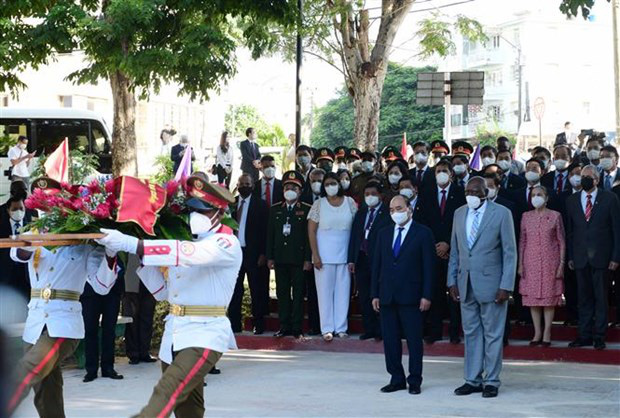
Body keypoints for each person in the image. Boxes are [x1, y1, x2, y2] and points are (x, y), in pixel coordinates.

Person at [96, 173, 241, 418]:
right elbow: (164, 292)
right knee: (188, 408)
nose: (195, 216)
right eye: (191, 210)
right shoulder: (182, 242)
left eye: (203, 211)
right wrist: (135, 253)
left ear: (219, 212)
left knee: (167, 390)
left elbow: (189, 254)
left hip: (205, 333)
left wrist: (133, 244)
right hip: (175, 333)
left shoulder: (225, 243)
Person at [6, 177, 118, 417]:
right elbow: (19, 254)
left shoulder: (85, 241)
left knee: (27, 368)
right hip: (35, 324)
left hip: (63, 326)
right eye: (39, 201)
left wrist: (110, 253)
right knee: (47, 392)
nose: (43, 206)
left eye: (49, 201)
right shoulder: (33, 233)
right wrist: (38, 236)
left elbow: (102, 287)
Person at [448, 177, 516, 398]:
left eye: (476, 192)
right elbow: (456, 251)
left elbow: (509, 252)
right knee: (471, 334)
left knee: (493, 334)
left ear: (487, 192)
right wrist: (452, 281)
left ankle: (492, 381)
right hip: (465, 283)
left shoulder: (502, 213)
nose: (471, 195)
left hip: (492, 285)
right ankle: (472, 379)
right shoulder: (459, 213)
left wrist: (506, 285)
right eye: (468, 191)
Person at [371, 195, 434, 395]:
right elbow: (377, 266)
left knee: (414, 341)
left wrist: (427, 295)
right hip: (387, 295)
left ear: (409, 209)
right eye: (391, 210)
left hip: (412, 296)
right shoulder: (383, 233)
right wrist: (375, 293)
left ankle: (414, 380)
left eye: (399, 208)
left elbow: (429, 268)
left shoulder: (423, 233)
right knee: (390, 340)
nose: (395, 213)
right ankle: (396, 378)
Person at [565, 165, 620, 350]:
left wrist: (615, 256)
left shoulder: (610, 198)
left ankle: (599, 335)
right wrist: (571, 256)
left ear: (597, 179)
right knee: (583, 298)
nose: (585, 179)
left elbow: (616, 230)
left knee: (600, 297)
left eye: (589, 177)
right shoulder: (572, 200)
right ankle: (584, 335)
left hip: (603, 257)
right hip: (580, 257)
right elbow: (571, 232)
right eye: (583, 176)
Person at [308, 173, 358, 341]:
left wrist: (353, 256)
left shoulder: (350, 202)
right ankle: (327, 328)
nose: (331, 186)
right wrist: (315, 254)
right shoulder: (318, 204)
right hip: (324, 256)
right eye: (327, 183)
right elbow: (311, 231)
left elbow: (357, 227)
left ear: (339, 184)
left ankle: (341, 328)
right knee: (324, 293)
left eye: (334, 183)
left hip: (345, 255)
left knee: (343, 293)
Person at [420, 158, 465, 344]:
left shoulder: (460, 193)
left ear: (451, 173)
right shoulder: (427, 193)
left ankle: (455, 332)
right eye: (438, 170)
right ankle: (435, 331)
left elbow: (461, 221)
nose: (441, 173)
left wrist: (447, 243)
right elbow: (423, 222)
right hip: (433, 250)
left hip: (454, 250)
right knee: (435, 291)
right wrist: (435, 245)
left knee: (454, 292)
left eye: (444, 170)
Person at [266, 171, 313, 338]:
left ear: (300, 191)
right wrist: (270, 256)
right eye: (287, 187)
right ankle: (284, 325)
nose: (290, 189)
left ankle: (296, 327)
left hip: (299, 259)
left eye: (294, 187)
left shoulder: (307, 209)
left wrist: (308, 258)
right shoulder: (275, 209)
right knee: (282, 293)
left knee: (299, 294)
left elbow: (309, 237)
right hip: (280, 258)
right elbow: (270, 235)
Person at [518, 185, 565, 346]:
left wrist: (561, 264)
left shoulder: (555, 216)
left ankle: (547, 332)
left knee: (548, 298)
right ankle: (537, 332)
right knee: (533, 299)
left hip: (550, 261)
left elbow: (561, 241)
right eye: (533, 195)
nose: (536, 197)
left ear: (546, 198)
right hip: (530, 262)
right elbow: (522, 241)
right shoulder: (526, 216)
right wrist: (520, 264)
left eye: (539, 194)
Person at [348, 181, 391, 340]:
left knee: (378, 294)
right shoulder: (361, 212)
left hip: (378, 260)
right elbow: (354, 236)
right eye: (367, 194)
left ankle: (381, 329)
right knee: (364, 295)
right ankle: (369, 328)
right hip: (361, 259)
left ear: (381, 195)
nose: (370, 197)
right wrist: (351, 259)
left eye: (373, 194)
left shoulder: (387, 213)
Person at [229, 174, 269, 334]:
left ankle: (258, 324)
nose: (244, 186)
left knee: (256, 290)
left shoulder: (261, 205)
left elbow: (266, 231)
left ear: (253, 185)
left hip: (253, 254)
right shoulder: (231, 204)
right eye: (241, 183)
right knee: (235, 290)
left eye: (248, 183)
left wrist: (263, 253)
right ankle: (234, 324)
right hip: (233, 253)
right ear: (237, 185)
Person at [81, 271, 125, 382]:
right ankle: (91, 370)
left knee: (109, 331)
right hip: (90, 291)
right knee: (90, 331)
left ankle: (108, 368)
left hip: (112, 291)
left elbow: (121, 263)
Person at [122, 254, 157, 365]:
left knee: (147, 318)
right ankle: (133, 353)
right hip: (131, 277)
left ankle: (144, 352)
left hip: (150, 280)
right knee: (131, 319)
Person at [0, 194, 33, 300]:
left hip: (26, 272)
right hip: (6, 272)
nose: (18, 212)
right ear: (8, 211)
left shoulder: (32, 226)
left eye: (21, 208)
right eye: (14, 209)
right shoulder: (2, 225)